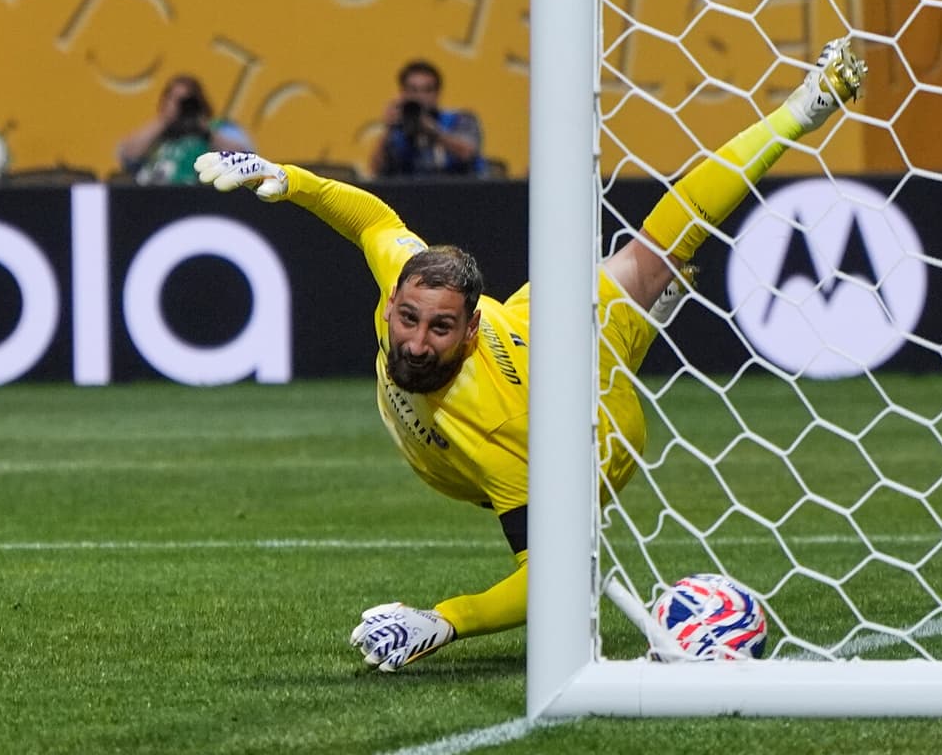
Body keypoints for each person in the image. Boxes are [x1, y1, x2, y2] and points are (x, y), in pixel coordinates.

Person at [195, 39, 867, 672]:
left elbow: (550, 581)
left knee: (660, 254)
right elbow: (374, 221)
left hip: (596, 433)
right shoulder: (407, 275)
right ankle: (642, 314)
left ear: (465, 331)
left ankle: (798, 112)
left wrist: (443, 621)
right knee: (649, 259)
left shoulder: (505, 434)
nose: (415, 342)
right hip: (543, 324)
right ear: (395, 297)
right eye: (408, 319)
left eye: (438, 331)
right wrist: (288, 179)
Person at [116, 74, 253, 185]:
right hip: (155, 194)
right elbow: (128, 154)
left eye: (185, 101)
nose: (180, 106)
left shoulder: (219, 128)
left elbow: (243, 158)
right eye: (174, 99)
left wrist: (205, 130)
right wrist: (163, 120)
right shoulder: (158, 131)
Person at [368, 59, 485, 178]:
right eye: (413, 90)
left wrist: (432, 131)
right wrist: (387, 130)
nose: (420, 96)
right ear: (402, 93)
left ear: (437, 93)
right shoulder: (397, 130)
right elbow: (375, 170)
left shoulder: (460, 120)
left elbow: (468, 153)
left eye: (427, 90)